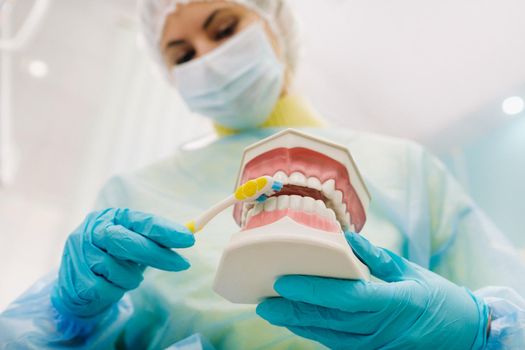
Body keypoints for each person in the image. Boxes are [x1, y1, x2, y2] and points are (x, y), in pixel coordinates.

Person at [1, 0, 524, 348]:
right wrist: (73, 315)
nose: (207, 60)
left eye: (224, 28)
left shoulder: (406, 168)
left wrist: (476, 328)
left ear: (276, 26)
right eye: (181, 54)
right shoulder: (136, 194)